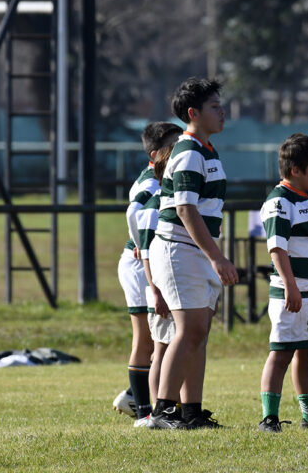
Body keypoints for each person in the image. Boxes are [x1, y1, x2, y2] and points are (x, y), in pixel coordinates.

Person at [148, 78, 238, 429]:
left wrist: (213, 255)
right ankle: (163, 411)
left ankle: (191, 412)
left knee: (199, 331)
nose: (222, 111)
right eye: (214, 106)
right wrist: (217, 257)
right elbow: (185, 211)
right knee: (187, 330)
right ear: (193, 114)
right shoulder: (187, 152)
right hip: (178, 249)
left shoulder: (206, 150)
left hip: (194, 250)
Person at [257, 134, 308, 433]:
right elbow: (277, 247)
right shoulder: (279, 201)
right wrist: (290, 285)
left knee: (307, 353)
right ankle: (269, 418)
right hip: (291, 292)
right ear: (295, 171)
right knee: (281, 354)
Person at [113, 121, 182, 426]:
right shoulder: (150, 180)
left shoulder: (167, 175)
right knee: (146, 340)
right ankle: (143, 411)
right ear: (155, 154)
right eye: (174, 144)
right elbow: (132, 212)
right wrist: (141, 246)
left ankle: (134, 395)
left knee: (161, 339)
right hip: (141, 263)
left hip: (155, 261)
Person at [136, 132, 180, 428]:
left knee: (169, 346)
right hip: (161, 290)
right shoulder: (154, 208)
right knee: (161, 349)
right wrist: (156, 292)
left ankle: (169, 410)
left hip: (168, 288)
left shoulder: (166, 205)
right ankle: (157, 412)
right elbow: (148, 254)